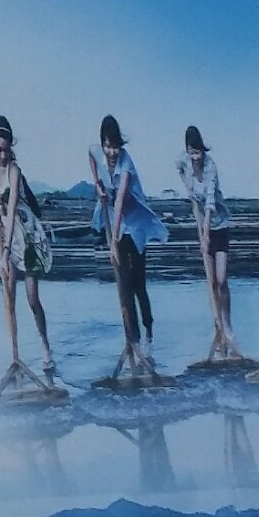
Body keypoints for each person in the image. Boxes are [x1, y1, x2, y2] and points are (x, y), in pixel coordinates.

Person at [90, 115, 168, 363]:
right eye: (108, 146)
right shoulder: (96, 151)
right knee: (123, 285)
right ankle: (132, 340)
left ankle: (148, 331)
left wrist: (112, 242)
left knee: (138, 284)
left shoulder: (126, 163)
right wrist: (98, 186)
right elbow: (91, 156)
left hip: (135, 224)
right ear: (102, 144)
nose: (111, 152)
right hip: (116, 223)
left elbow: (122, 199)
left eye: (116, 146)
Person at [0, 116, 53, 372]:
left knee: (32, 299)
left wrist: (4, 251)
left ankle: (46, 347)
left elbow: (12, 210)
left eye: (7, 150)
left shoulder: (14, 171)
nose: (3, 156)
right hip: (5, 233)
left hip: (26, 236)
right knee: (9, 296)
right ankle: (16, 357)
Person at [176, 125, 236, 351]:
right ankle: (217, 327)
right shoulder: (184, 160)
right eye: (192, 153)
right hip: (203, 226)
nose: (195, 157)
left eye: (198, 152)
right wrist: (188, 188)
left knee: (221, 279)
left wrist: (205, 235)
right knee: (211, 282)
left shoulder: (211, 167)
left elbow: (210, 203)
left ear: (203, 150)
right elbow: (178, 167)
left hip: (218, 225)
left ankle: (228, 325)